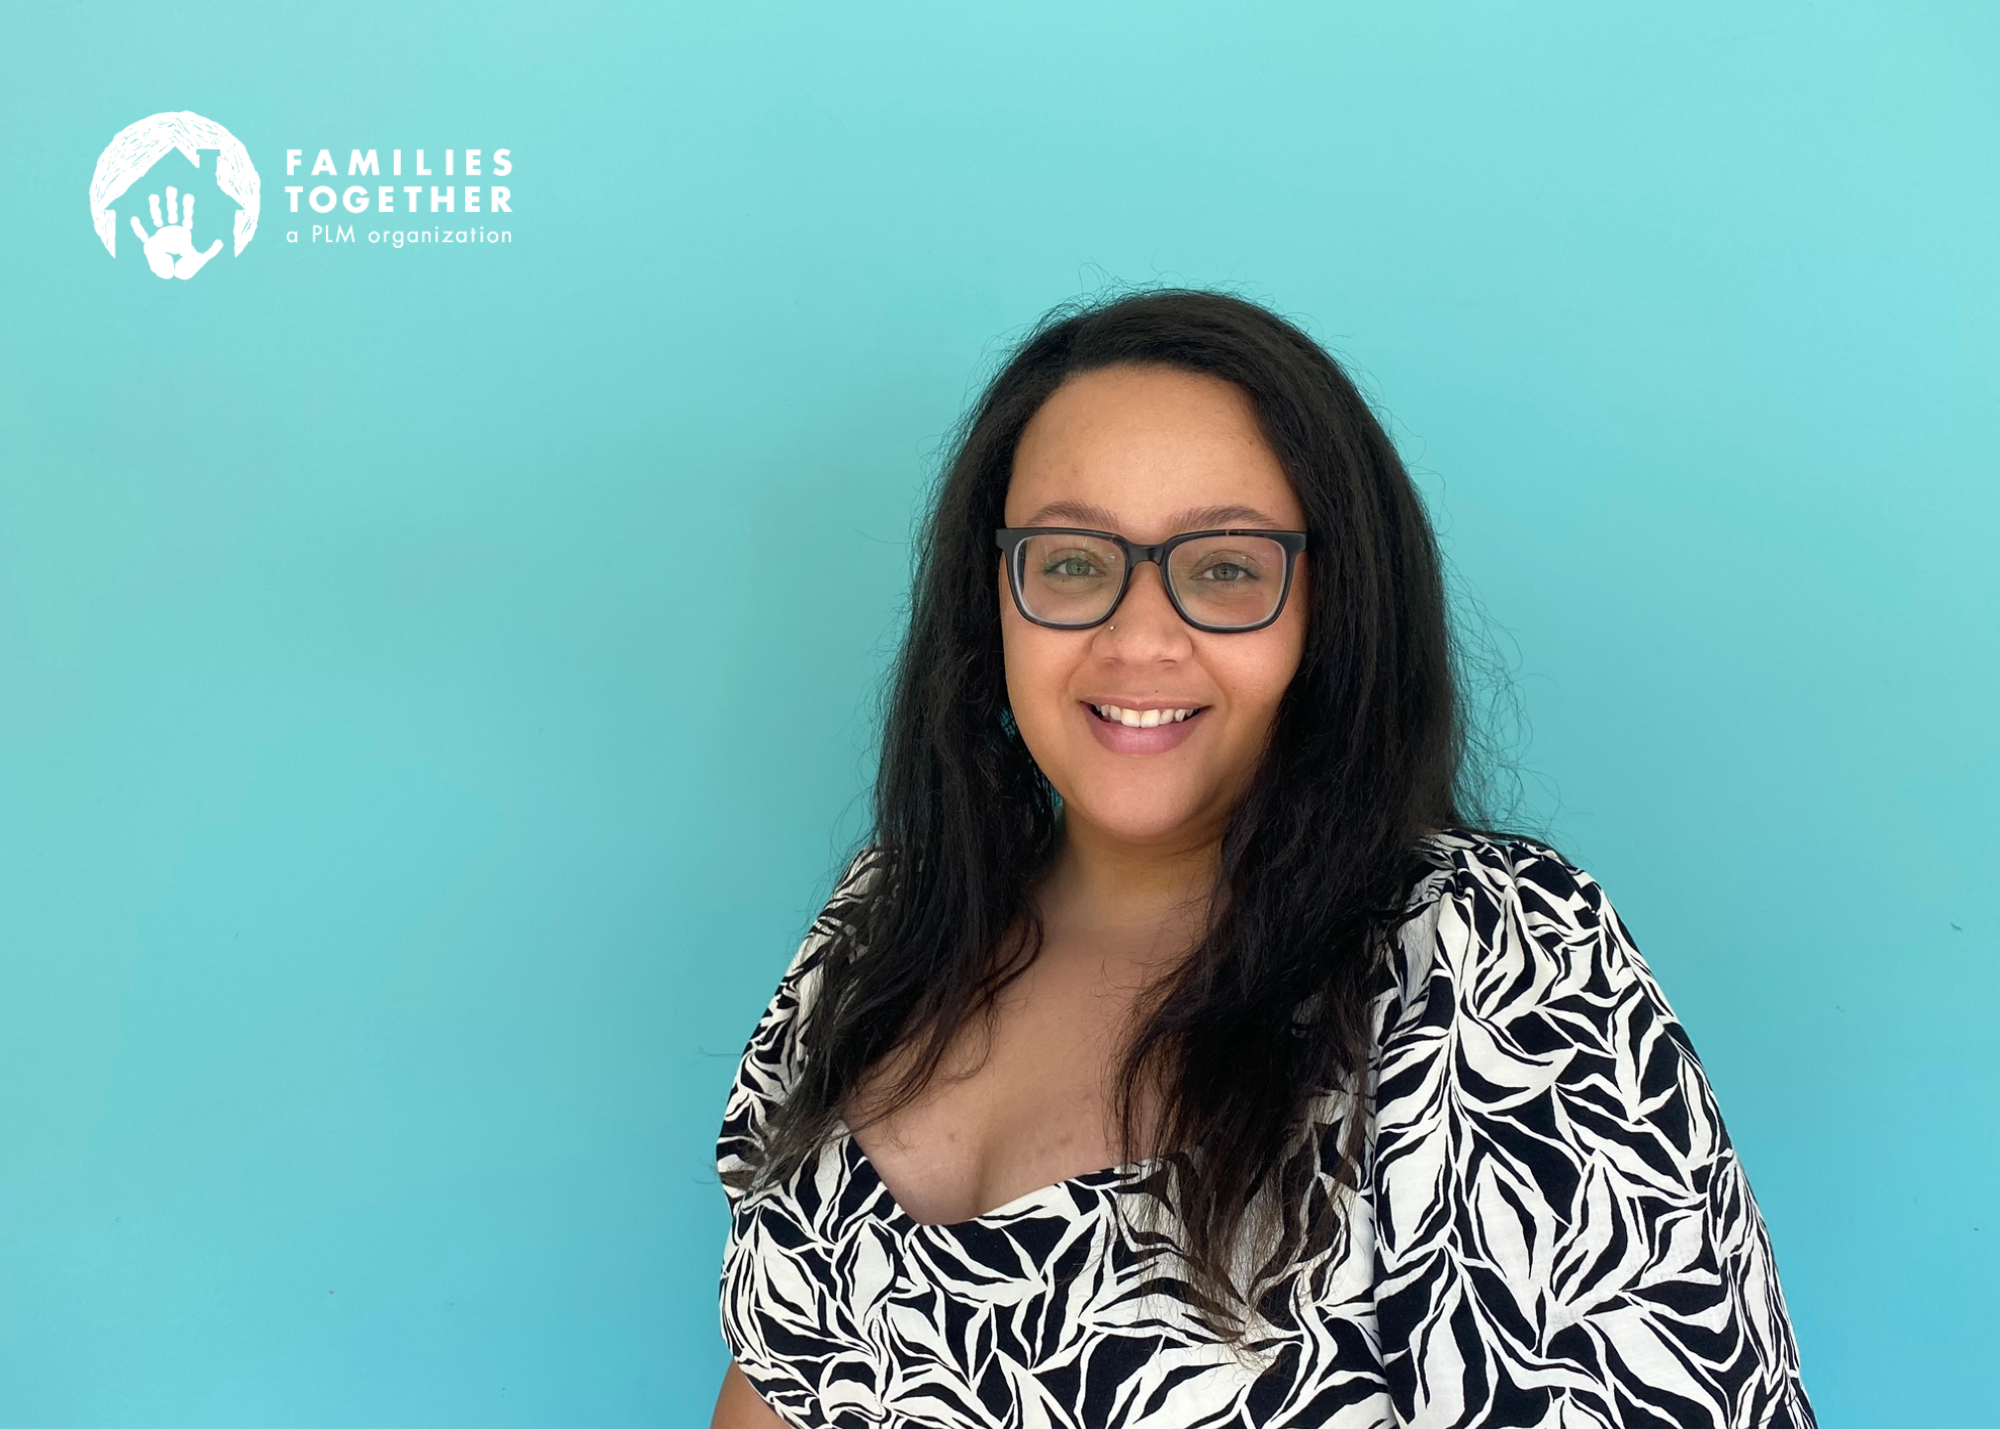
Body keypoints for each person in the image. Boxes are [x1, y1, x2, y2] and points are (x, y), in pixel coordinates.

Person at [709, 290, 1816, 1428]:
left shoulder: (1487, 964)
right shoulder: (885, 920)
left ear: (1328, 608)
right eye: (1073, 561)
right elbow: (776, 1376)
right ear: (992, 597)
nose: (1139, 638)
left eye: (1226, 568)